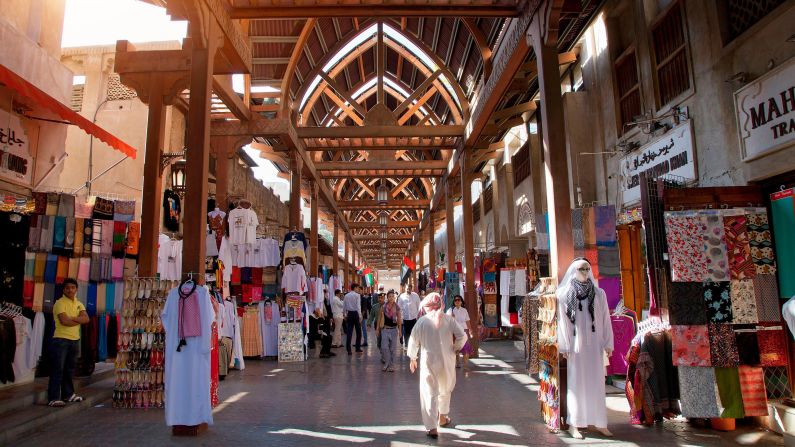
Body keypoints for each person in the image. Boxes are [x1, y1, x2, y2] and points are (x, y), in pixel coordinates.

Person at [557, 258, 614, 439]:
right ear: (574, 270)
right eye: (581, 268)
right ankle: (575, 423)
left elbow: (606, 319)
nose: (584, 271)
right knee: (576, 384)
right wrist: (565, 345)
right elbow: (563, 323)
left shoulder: (599, 293)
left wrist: (608, 343)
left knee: (597, 384)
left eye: (587, 268)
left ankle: (599, 422)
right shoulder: (565, 294)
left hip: (595, 345)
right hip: (576, 347)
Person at [408, 293, 467, 438]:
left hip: (429, 361)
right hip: (447, 360)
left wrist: (413, 358)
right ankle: (442, 417)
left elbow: (413, 341)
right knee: (445, 389)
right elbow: (462, 335)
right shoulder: (448, 319)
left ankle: (431, 427)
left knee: (429, 391)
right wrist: (455, 348)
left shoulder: (422, 321)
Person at [48, 278, 89, 407]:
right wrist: (78, 319)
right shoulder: (59, 303)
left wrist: (72, 318)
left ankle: (68, 394)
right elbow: (64, 321)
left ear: (76, 289)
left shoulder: (79, 303)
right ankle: (53, 398)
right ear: (64, 289)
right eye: (67, 288)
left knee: (69, 370)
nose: (70, 290)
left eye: (72, 287)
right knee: (57, 369)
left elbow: (86, 319)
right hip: (61, 340)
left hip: (75, 340)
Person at [376, 290, 402, 372]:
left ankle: (391, 365)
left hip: (394, 330)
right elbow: (379, 318)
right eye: (389, 296)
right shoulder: (383, 307)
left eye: (392, 296)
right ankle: (387, 363)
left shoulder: (397, 307)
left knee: (392, 349)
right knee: (384, 347)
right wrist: (377, 329)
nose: (391, 298)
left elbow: (399, 319)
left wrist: (400, 330)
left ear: (394, 297)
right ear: (387, 298)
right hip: (385, 329)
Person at [446, 295, 473, 370]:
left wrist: (470, 330)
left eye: (459, 300)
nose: (457, 301)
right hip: (455, 332)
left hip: (464, 331)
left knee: (466, 348)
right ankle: (457, 362)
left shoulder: (464, 310)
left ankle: (465, 365)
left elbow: (467, 321)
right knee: (456, 349)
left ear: (461, 301)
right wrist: (452, 318)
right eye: (455, 300)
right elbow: (447, 322)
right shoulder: (450, 311)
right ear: (454, 302)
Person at [398, 284, 421, 349]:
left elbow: (419, 306)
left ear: (411, 289)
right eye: (407, 288)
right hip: (405, 318)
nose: (408, 290)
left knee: (414, 332)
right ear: (405, 288)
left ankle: (414, 345)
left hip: (414, 318)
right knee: (406, 333)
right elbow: (399, 308)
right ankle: (406, 345)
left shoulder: (415, 296)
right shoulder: (401, 297)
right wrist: (400, 318)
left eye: (410, 288)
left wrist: (418, 316)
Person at [344, 284, 363, 355]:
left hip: (349, 314)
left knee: (349, 332)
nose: (358, 289)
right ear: (355, 288)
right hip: (356, 314)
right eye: (358, 288)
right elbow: (358, 306)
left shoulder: (346, 295)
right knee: (358, 332)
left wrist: (345, 314)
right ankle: (357, 348)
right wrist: (360, 316)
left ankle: (349, 349)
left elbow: (344, 306)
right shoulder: (357, 295)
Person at [368, 292, 386, 362]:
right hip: (377, 326)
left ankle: (384, 356)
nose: (380, 299)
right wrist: (369, 323)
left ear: (384, 298)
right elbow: (371, 316)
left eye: (382, 298)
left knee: (385, 341)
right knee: (379, 341)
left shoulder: (387, 306)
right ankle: (382, 353)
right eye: (379, 298)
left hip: (385, 326)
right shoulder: (375, 306)